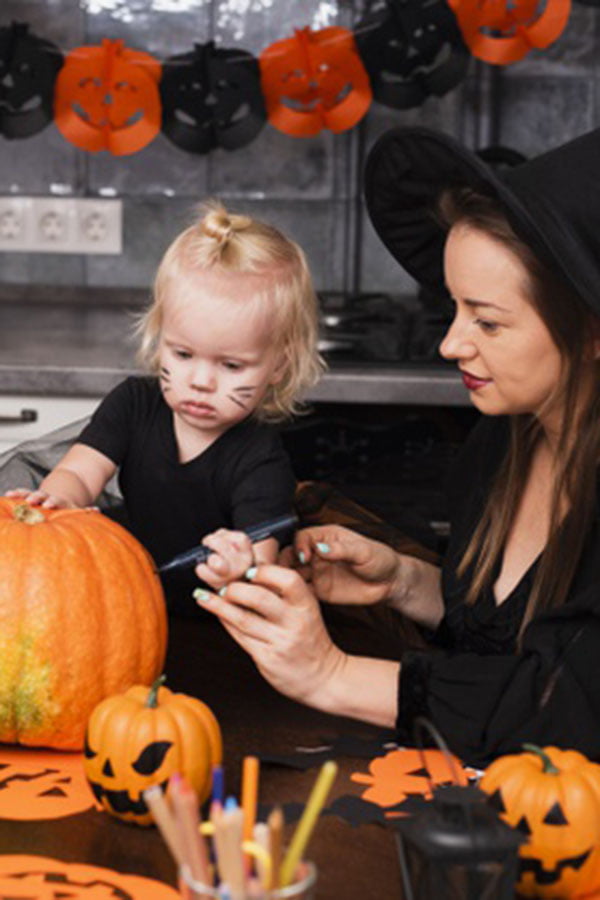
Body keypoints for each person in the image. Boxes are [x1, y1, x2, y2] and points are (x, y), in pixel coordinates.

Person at [192, 126, 600, 767]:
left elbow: (566, 705)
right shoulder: (501, 445)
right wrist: (405, 584)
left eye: (488, 321)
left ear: (592, 331)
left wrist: (330, 674)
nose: (452, 344)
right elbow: (518, 638)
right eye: (454, 309)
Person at [7, 200, 324, 610]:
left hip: (211, 623)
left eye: (230, 365)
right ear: (160, 339)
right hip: (127, 601)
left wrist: (239, 563)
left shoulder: (260, 459)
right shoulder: (134, 404)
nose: (201, 381)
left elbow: (260, 561)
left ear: (278, 365)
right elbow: (79, 474)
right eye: (183, 355)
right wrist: (58, 501)